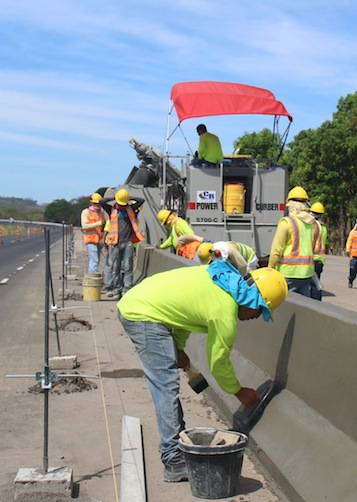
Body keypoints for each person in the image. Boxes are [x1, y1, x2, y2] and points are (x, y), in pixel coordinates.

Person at [117, 263, 288, 482]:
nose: (257, 317)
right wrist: (238, 391)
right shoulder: (225, 314)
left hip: (140, 303)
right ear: (253, 300)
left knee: (166, 386)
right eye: (260, 310)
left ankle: (174, 443)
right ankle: (173, 459)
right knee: (166, 387)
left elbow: (185, 313)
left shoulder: (224, 281)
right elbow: (218, 362)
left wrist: (178, 346)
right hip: (143, 315)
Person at [267, 186, 318, 298]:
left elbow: (276, 250)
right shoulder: (313, 223)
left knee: (286, 304)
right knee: (301, 305)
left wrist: (270, 268)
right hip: (307, 273)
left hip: (288, 273)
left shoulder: (286, 223)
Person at [100, 189, 145, 299]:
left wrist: (128, 198)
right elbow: (102, 201)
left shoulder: (131, 209)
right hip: (114, 243)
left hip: (127, 243)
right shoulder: (111, 209)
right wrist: (114, 198)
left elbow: (141, 200)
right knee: (115, 268)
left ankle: (127, 290)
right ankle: (117, 290)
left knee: (128, 268)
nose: (122, 206)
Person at [81, 193, 107, 274]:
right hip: (90, 240)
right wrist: (99, 223)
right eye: (95, 203)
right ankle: (93, 278)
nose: (97, 205)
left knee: (96, 261)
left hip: (99, 241)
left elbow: (103, 228)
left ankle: (92, 278)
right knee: (94, 261)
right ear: (92, 203)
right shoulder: (86, 212)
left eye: (98, 203)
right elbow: (85, 226)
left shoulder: (101, 213)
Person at [309, 202, 328, 300]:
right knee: (316, 283)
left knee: (313, 285)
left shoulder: (312, 227)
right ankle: (317, 301)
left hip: (313, 259)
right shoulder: (323, 228)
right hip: (320, 259)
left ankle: (315, 303)